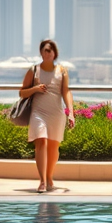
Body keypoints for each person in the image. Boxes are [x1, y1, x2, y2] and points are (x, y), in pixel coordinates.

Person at [18, 39, 74, 193]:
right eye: (44, 50)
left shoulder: (62, 71)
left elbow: (66, 92)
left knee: (54, 148)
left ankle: (49, 178)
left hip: (56, 113)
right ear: (41, 52)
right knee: (41, 142)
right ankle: (42, 181)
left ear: (55, 53)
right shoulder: (34, 70)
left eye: (50, 50)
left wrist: (71, 113)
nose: (47, 53)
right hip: (38, 112)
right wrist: (35, 88)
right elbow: (22, 92)